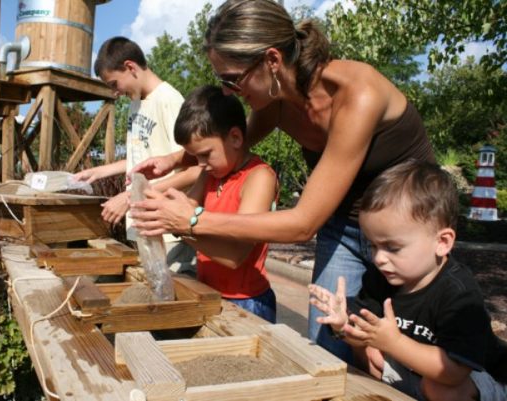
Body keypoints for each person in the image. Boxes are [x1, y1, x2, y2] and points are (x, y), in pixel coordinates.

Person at [128, 0, 435, 361]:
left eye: (232, 78)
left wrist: (193, 220)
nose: (228, 92)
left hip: (410, 228)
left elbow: (303, 224)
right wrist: (174, 159)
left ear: (271, 61)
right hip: (344, 225)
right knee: (327, 347)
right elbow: (229, 149)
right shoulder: (274, 102)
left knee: (406, 353)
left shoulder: (356, 93)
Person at [308, 160, 507, 401]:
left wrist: (394, 343)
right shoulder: (380, 277)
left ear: (442, 242)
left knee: (440, 389)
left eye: (392, 247)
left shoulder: (459, 294)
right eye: (373, 245)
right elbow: (364, 335)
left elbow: (453, 372)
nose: (379, 258)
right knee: (370, 351)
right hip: (416, 373)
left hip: (475, 380)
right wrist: (343, 327)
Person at [73, 37, 199, 275]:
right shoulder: (136, 104)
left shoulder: (170, 102)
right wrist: (99, 171)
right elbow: (145, 155)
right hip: (144, 223)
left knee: (174, 299)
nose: (115, 92)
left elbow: (193, 167)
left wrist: (131, 197)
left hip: (167, 228)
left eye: (114, 84)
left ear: (130, 67)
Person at [170, 84, 278, 322]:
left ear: (236, 138)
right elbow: (185, 207)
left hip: (247, 302)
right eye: (195, 156)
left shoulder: (259, 178)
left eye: (206, 154)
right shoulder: (210, 173)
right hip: (207, 291)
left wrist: (176, 224)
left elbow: (234, 255)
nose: (200, 163)